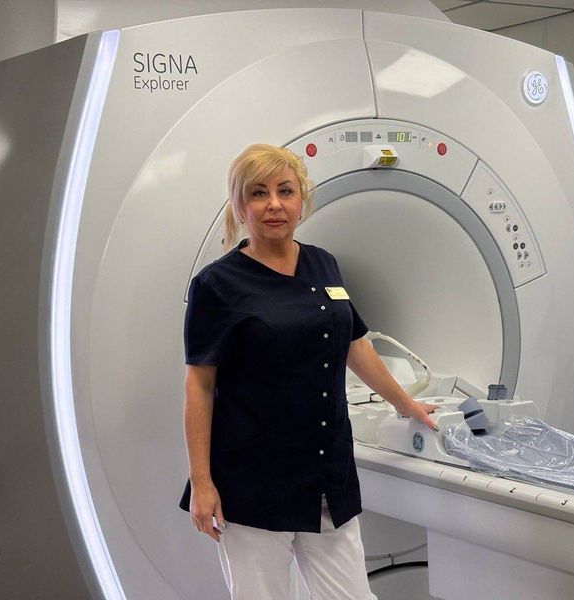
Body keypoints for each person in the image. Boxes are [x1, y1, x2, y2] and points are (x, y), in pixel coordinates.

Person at [180, 143, 439, 600]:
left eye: (285, 191)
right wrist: (202, 483)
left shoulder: (323, 263)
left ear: (302, 199)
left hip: (325, 472)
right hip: (253, 480)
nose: (274, 204)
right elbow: (199, 386)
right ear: (239, 206)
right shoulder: (216, 285)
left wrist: (406, 404)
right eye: (258, 193)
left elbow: (355, 344)